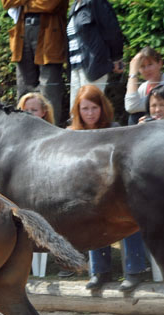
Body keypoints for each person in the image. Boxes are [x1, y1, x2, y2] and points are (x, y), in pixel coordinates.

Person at [69, 85, 148, 291]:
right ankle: (99, 272)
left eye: (94, 108)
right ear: (78, 110)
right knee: (91, 219)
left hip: (117, 189)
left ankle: (134, 270)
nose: (90, 113)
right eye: (85, 109)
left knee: (129, 217)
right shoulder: (72, 134)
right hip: (88, 193)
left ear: (102, 108)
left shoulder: (114, 128)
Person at [2, 0, 68, 126]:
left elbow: (48, 4)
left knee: (49, 89)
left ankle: (51, 130)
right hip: (22, 32)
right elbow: (6, 2)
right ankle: (21, 129)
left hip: (50, 36)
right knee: (24, 88)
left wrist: (22, 4)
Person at [66, 0, 123, 109]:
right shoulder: (73, 7)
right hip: (76, 68)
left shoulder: (96, 2)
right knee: (75, 113)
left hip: (94, 66)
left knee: (90, 111)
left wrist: (116, 57)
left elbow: (111, 29)